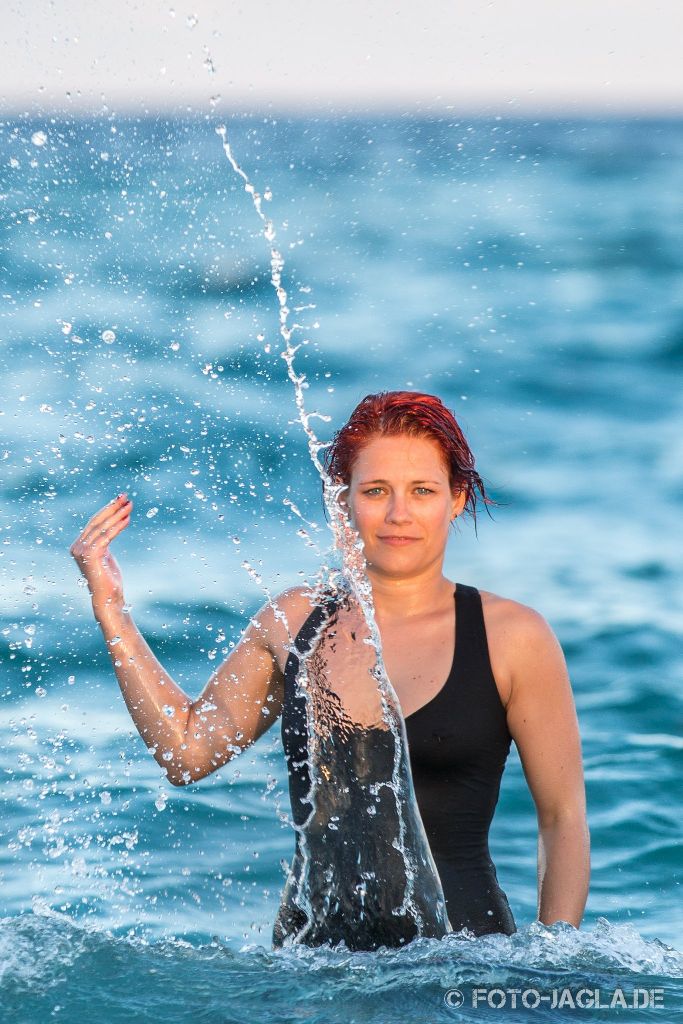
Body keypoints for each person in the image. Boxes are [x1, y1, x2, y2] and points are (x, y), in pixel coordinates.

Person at [70, 390, 590, 950]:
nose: (398, 514)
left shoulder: (512, 637)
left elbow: (563, 821)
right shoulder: (295, 621)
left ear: (456, 498)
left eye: (422, 491)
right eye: (375, 491)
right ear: (344, 502)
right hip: (312, 967)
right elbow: (188, 752)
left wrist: (548, 966)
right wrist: (111, 610)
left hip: (464, 963)